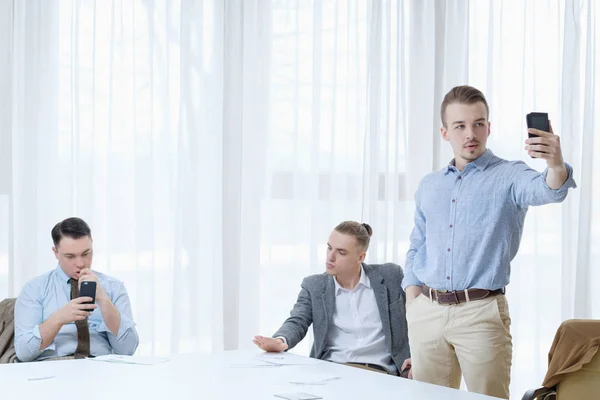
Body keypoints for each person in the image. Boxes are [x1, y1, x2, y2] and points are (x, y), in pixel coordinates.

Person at [401, 85, 576, 398]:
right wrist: (412, 300)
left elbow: (548, 189)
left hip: (480, 313)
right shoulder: (429, 186)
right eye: (460, 126)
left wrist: (556, 164)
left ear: (488, 127)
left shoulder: (509, 176)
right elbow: (417, 244)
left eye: (478, 124)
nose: (471, 133)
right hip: (426, 312)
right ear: (445, 132)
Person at [253, 221, 411, 376]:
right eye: (329, 248)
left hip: (381, 373)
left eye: (341, 252)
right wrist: (281, 340)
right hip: (331, 373)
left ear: (360, 257)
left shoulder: (390, 276)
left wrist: (416, 356)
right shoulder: (314, 285)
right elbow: (297, 320)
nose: (330, 257)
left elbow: (415, 313)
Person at [14, 217, 139, 361]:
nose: (80, 263)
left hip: (100, 366)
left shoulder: (114, 287)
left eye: (86, 254)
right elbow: (24, 353)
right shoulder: (33, 289)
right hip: (52, 367)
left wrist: (104, 300)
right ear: (56, 252)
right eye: (70, 256)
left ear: (92, 245)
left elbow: (128, 350)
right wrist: (58, 318)